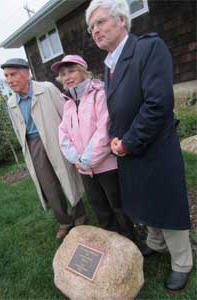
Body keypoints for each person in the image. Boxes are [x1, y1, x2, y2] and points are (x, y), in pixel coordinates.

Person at [86, 0, 193, 293]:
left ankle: (182, 262)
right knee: (144, 198)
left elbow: (158, 104)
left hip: (155, 145)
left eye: (100, 22)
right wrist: (114, 138)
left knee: (166, 201)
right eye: (91, 27)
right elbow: (118, 110)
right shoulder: (109, 65)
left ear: (122, 20)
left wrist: (128, 142)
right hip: (128, 147)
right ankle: (156, 244)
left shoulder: (148, 48)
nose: (94, 30)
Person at [1, 58, 86, 240]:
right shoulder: (11, 102)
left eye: (13, 74)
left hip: (56, 138)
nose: (9, 80)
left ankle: (79, 215)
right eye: (6, 76)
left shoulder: (46, 89)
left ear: (26, 73)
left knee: (67, 174)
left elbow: (66, 114)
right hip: (33, 144)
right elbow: (18, 128)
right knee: (48, 184)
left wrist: (72, 140)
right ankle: (64, 221)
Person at [51, 54, 133, 237]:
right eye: (63, 74)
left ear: (82, 71)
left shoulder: (99, 95)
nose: (67, 76)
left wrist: (86, 160)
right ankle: (112, 242)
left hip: (106, 166)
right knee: (100, 208)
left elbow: (103, 131)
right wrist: (76, 159)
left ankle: (132, 243)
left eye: (71, 71)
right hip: (84, 169)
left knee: (118, 206)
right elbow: (63, 134)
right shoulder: (68, 104)